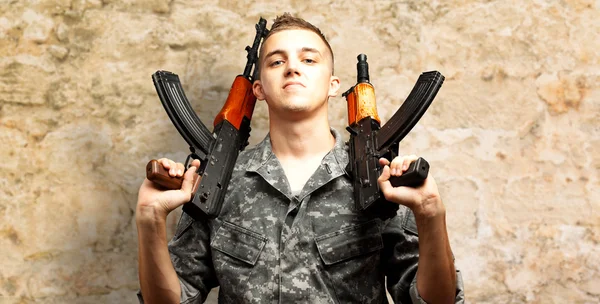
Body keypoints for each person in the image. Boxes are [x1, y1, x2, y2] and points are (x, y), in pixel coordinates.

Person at [136, 13, 465, 304]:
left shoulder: (376, 182)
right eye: (276, 62)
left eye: (309, 60)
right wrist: (150, 220)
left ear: (334, 84)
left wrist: (431, 213)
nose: (292, 67)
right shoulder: (221, 183)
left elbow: (434, 301)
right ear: (258, 89)